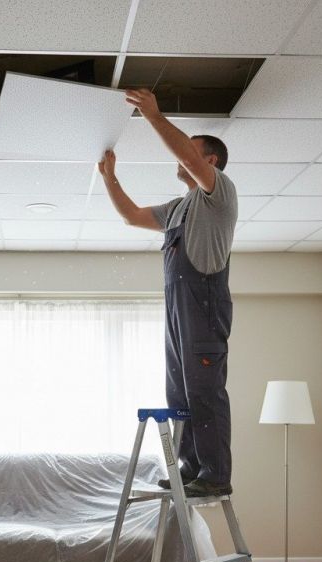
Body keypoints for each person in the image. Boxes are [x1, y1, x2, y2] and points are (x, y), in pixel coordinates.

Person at [99, 88, 237, 498]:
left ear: (209, 161)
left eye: (191, 154)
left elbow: (189, 159)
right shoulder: (179, 207)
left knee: (204, 392)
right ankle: (191, 468)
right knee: (179, 392)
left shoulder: (219, 194)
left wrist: (155, 117)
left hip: (204, 308)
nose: (182, 159)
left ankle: (216, 475)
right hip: (179, 313)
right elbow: (131, 216)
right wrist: (110, 178)